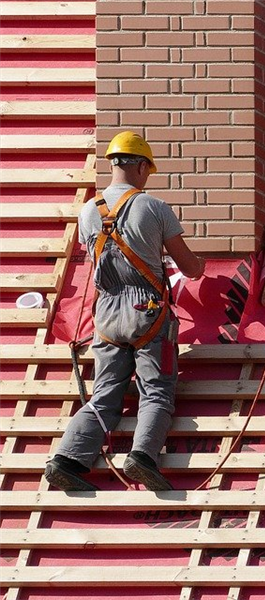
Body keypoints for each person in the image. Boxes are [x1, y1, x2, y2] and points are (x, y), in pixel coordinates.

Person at [45, 131, 205, 492]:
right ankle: (143, 457)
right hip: (146, 309)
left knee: (104, 393)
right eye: (147, 167)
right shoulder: (152, 207)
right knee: (157, 390)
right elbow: (189, 267)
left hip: (106, 314)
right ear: (140, 165)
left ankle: (67, 459)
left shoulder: (89, 211)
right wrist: (200, 265)